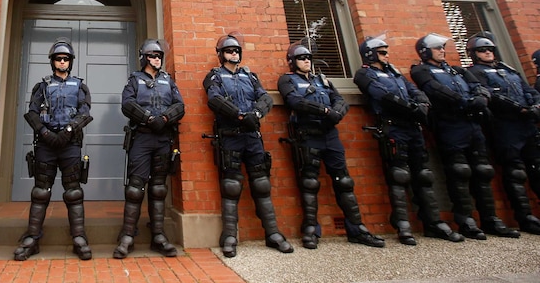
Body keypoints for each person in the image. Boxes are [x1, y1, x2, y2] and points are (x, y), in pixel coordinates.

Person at [353, 36, 463, 245]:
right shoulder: (364, 74)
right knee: (399, 175)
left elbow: (416, 91)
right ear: (370, 54)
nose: (387, 55)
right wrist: (410, 108)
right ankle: (403, 225)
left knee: (423, 174)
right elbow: (381, 95)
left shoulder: (394, 73)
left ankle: (433, 222)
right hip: (393, 127)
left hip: (412, 127)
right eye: (383, 52)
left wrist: (421, 104)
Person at [409, 33, 519, 239]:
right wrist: (463, 101)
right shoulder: (421, 69)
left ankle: (490, 218)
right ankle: (465, 219)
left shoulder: (457, 70)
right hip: (450, 124)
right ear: (425, 51)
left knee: (483, 170)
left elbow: (478, 85)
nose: (442, 51)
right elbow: (435, 89)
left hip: (472, 124)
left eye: (443, 47)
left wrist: (480, 98)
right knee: (459, 171)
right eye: (437, 48)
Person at [278, 41, 384, 249]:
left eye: (308, 57)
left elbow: (340, 101)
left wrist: (337, 114)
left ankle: (357, 228)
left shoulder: (322, 80)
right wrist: (324, 111)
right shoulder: (287, 80)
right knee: (309, 183)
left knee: (344, 181)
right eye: (301, 57)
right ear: (292, 62)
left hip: (330, 135)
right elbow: (295, 102)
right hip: (308, 136)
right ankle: (310, 230)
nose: (306, 60)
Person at [204, 35, 293, 257]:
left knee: (262, 184)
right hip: (230, 136)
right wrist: (240, 115)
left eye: (236, 50)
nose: (234, 54)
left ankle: (272, 233)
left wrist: (256, 113)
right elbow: (214, 100)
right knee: (231, 186)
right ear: (221, 54)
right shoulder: (215, 76)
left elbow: (265, 98)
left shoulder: (250, 76)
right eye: (229, 51)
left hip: (252, 137)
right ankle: (230, 236)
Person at [14, 38, 93, 261]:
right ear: (52, 62)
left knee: (74, 192)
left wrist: (68, 130)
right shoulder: (42, 86)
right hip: (46, 145)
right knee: (40, 192)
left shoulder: (80, 85)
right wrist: (45, 133)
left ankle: (79, 237)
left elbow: (85, 112)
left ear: (70, 62)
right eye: (58, 59)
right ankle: (32, 237)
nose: (62, 62)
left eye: (65, 59)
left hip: (70, 145)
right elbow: (31, 113)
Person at [113, 39, 185, 259]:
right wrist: (147, 118)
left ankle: (159, 236)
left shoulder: (167, 80)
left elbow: (180, 105)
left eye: (159, 56)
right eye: (153, 56)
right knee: (135, 188)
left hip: (163, 138)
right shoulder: (135, 80)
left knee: (158, 188)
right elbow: (127, 104)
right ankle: (127, 236)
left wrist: (164, 118)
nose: (157, 59)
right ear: (144, 57)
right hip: (142, 138)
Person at [465, 33, 540, 235]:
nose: (488, 52)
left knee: (537, 168)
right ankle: (525, 217)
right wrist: (519, 109)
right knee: (515, 171)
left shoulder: (508, 69)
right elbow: (491, 95)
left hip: (528, 124)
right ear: (473, 54)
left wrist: (535, 105)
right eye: (482, 50)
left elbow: (529, 90)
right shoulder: (475, 72)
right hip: (505, 125)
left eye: (490, 49)